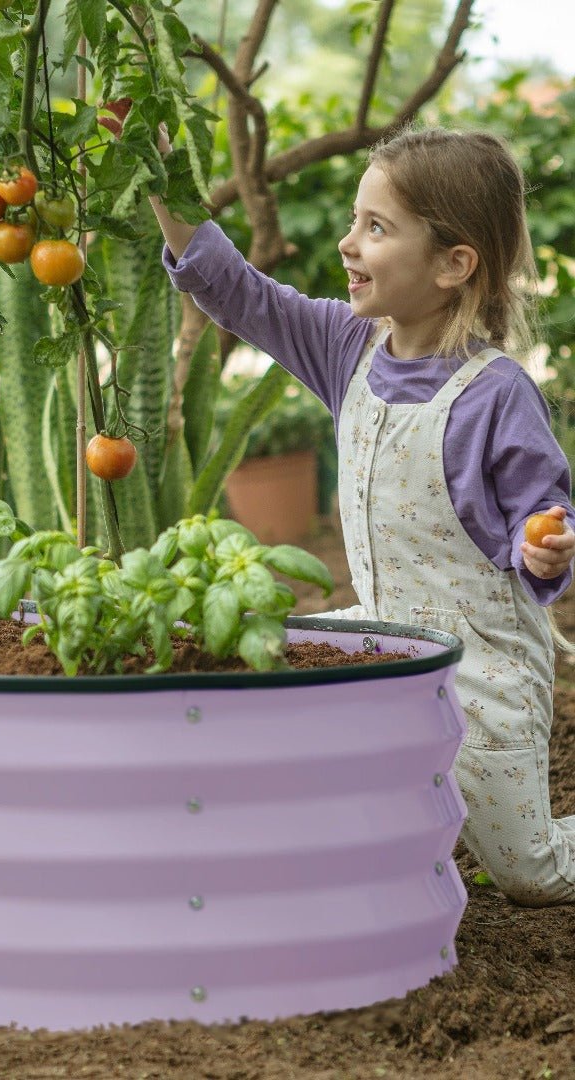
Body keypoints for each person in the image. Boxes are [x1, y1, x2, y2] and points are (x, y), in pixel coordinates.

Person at [111, 111, 575, 906]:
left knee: (533, 874)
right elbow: (235, 290)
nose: (347, 245)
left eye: (376, 228)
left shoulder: (498, 394)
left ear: (453, 263)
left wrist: (547, 549)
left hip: (481, 669)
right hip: (385, 638)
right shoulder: (346, 347)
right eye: (356, 222)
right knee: (256, 665)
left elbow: (547, 511)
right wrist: (159, 175)